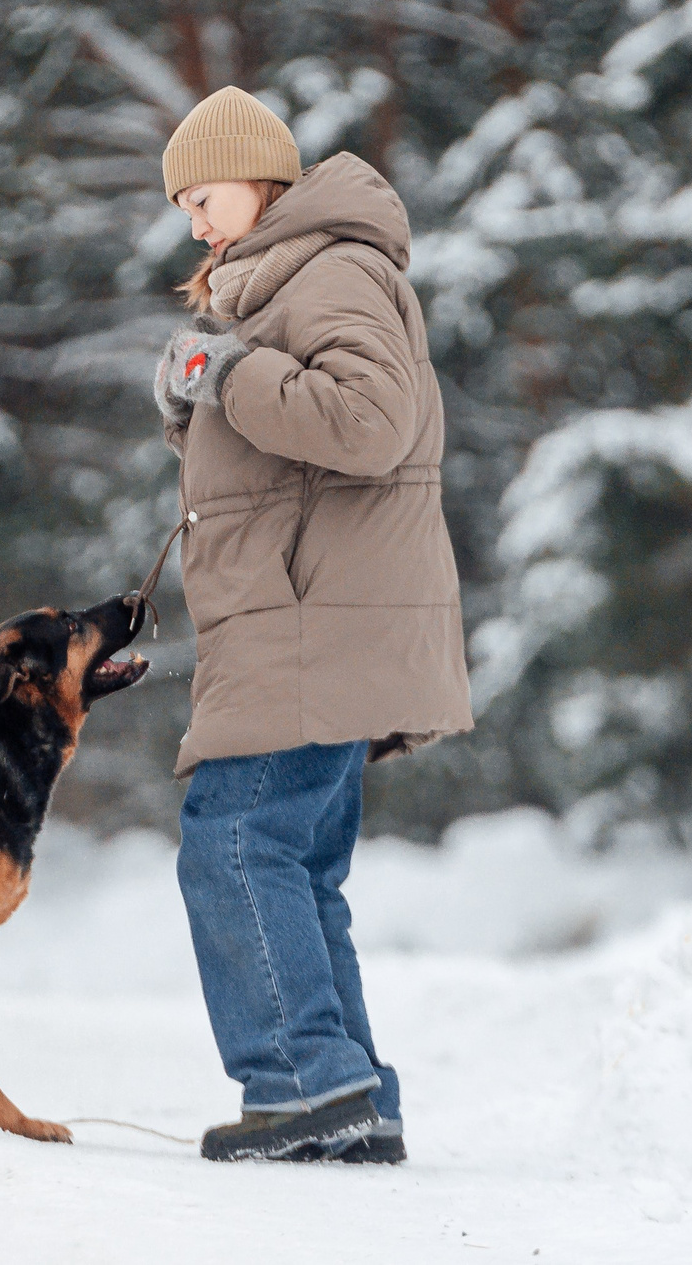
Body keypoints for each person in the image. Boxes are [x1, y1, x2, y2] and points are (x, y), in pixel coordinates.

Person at [149, 86, 474, 1165]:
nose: (195, 220)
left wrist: (229, 374)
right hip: (300, 618)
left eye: (205, 195)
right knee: (292, 859)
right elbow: (271, 455)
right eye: (185, 205)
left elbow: (369, 425)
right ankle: (348, 1095)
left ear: (263, 177)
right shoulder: (277, 284)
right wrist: (194, 389)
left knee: (233, 843)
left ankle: (301, 1082)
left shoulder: (331, 267)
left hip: (312, 620)